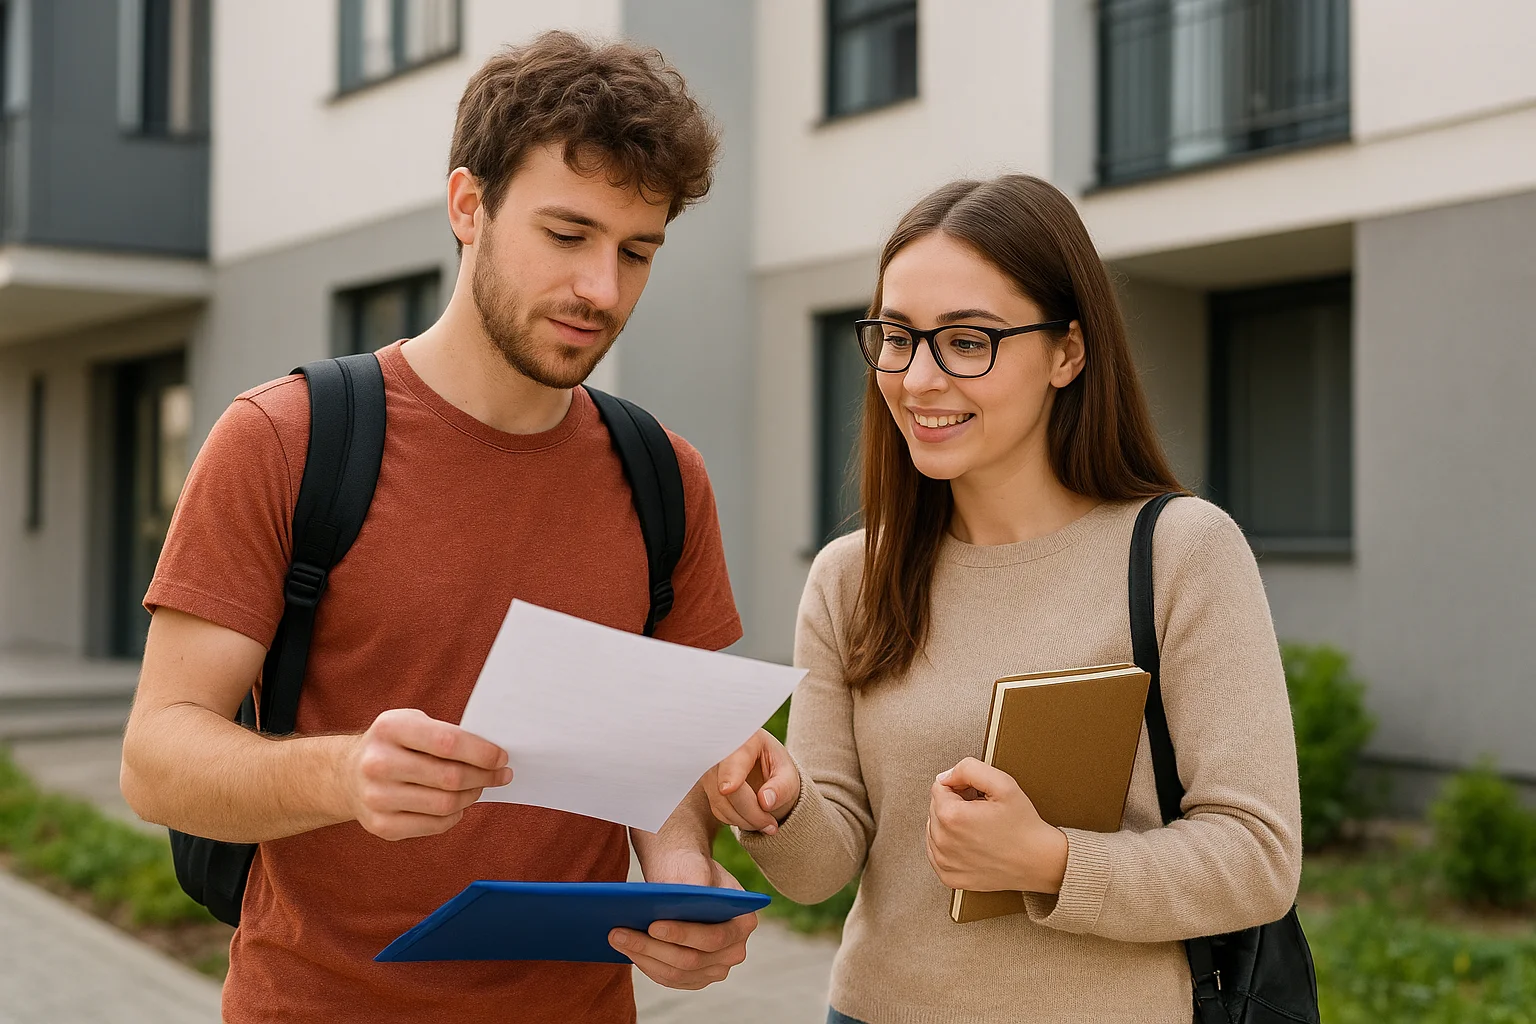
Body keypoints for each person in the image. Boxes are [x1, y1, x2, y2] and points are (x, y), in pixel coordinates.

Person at [121, 32, 754, 1023]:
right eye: (568, 234)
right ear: (470, 206)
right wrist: (343, 771)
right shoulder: (284, 441)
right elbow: (156, 758)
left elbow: (660, 756)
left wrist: (680, 876)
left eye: (637, 251)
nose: (603, 287)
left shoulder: (665, 476)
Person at [702, 175, 1303, 1023]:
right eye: (899, 337)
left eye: (969, 341)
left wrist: (1050, 861)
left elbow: (1258, 858)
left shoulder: (1180, 552)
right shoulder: (850, 578)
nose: (918, 378)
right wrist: (777, 803)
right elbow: (822, 872)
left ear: (1068, 351)